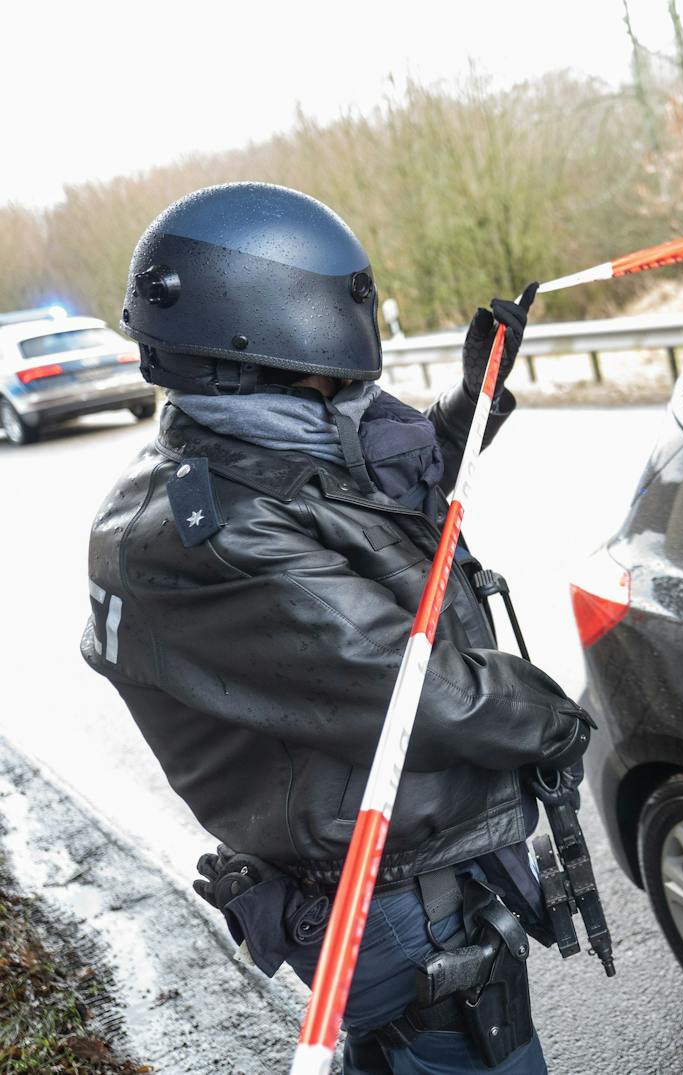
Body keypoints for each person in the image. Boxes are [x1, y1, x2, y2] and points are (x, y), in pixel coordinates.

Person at [81, 183, 591, 1073]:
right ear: (267, 334)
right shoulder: (224, 530)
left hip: (388, 879)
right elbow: (423, 693)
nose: (353, 383)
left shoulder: (244, 454)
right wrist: (561, 718)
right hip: (397, 901)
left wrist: (476, 402)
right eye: (334, 364)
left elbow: (373, 496)